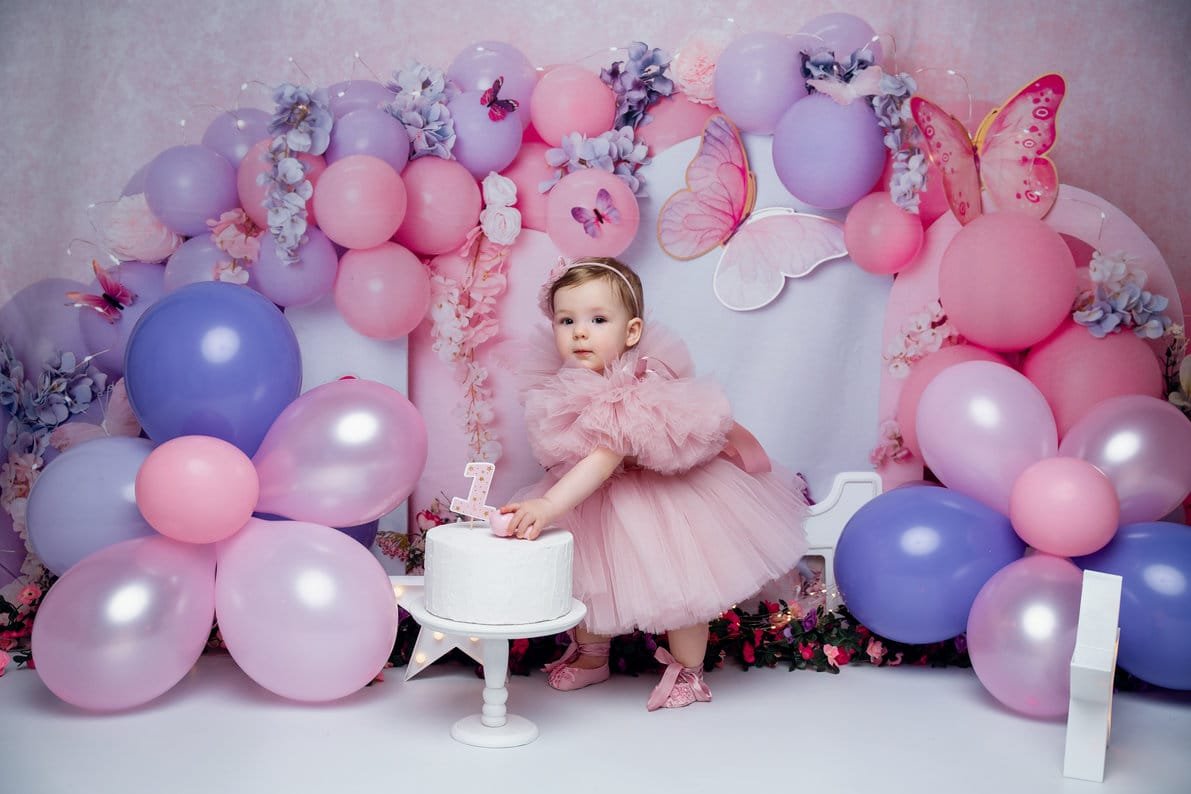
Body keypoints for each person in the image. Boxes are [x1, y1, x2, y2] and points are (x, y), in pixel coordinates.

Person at [500, 256, 808, 710]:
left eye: (597, 319)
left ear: (631, 331)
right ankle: (591, 656)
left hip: (659, 499)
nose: (579, 332)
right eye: (567, 320)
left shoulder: (635, 389)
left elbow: (602, 461)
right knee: (588, 579)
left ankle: (689, 671)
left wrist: (547, 506)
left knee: (682, 588)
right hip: (596, 502)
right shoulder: (564, 385)